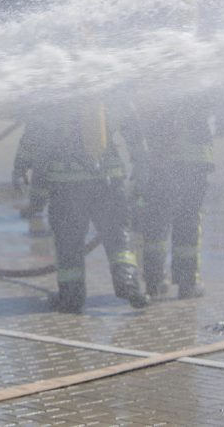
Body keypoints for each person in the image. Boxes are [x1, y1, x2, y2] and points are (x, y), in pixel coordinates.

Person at [36, 99, 150, 313]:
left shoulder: (54, 96)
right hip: (108, 181)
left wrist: (35, 189)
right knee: (118, 238)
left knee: (69, 243)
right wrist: (142, 168)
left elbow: (38, 142)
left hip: (67, 185)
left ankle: (71, 297)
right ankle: (128, 283)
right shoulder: (110, 95)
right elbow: (135, 132)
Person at [133, 96, 213, 299]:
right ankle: (187, 283)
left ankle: (154, 281)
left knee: (156, 222)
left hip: (161, 165)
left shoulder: (159, 81)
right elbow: (214, 102)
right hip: (193, 165)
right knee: (187, 222)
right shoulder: (199, 81)